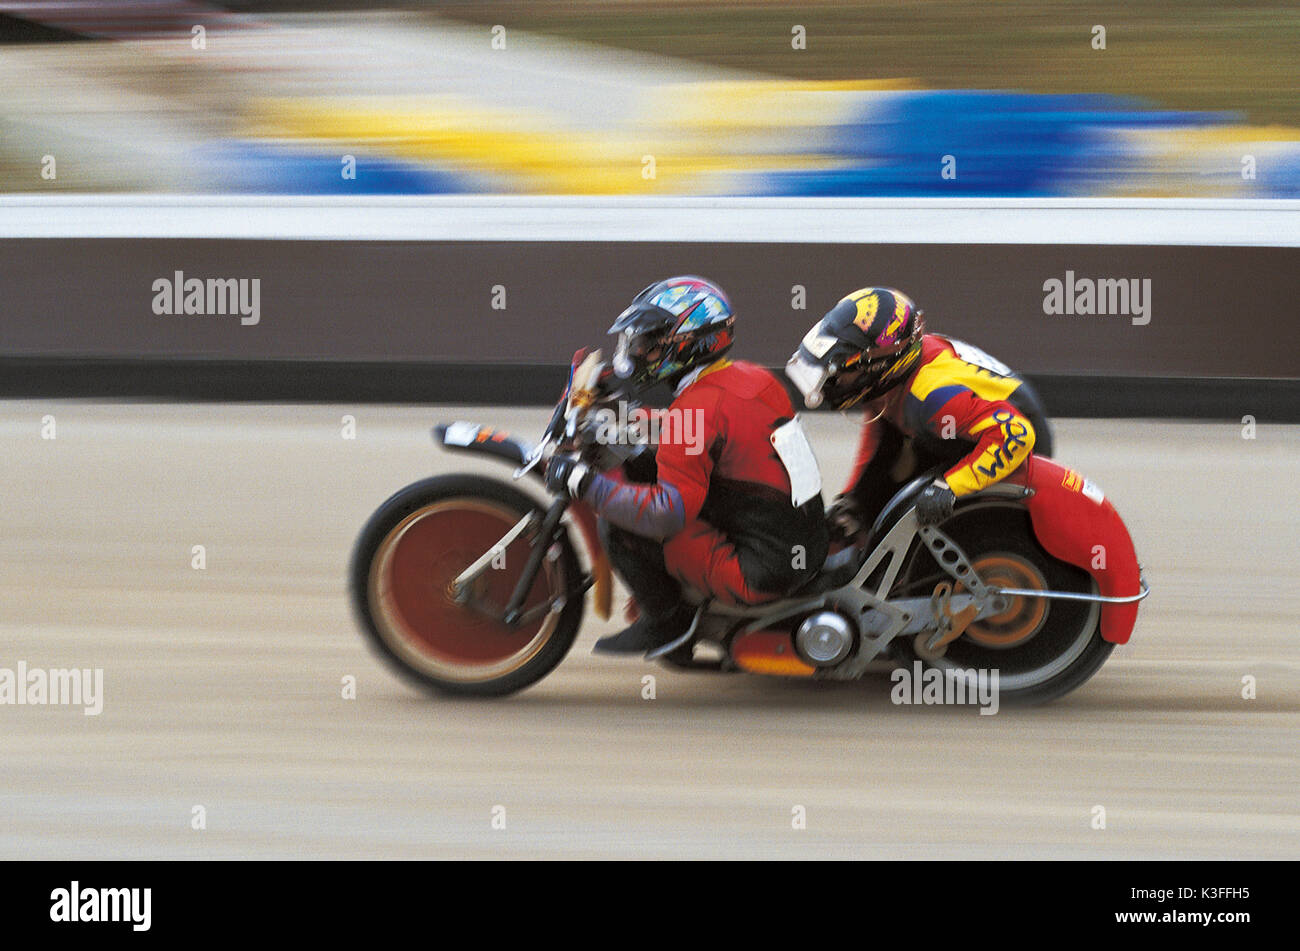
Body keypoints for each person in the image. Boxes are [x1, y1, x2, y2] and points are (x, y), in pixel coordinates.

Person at [545, 276, 829, 655]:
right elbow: (706, 430)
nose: (637, 352)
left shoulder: (694, 409)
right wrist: (625, 418)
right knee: (643, 465)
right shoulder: (750, 376)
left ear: (688, 344)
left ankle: (667, 622)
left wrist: (584, 483)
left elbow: (666, 514)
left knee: (618, 522)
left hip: (761, 572)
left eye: (648, 343)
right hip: (801, 539)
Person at [783, 286, 1053, 536]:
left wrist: (951, 486)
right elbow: (880, 442)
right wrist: (852, 500)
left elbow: (1017, 435)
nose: (833, 381)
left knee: (922, 514)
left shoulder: (933, 396)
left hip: (1012, 440)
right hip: (962, 426)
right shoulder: (889, 383)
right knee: (875, 501)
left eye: (842, 369)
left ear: (882, 366)